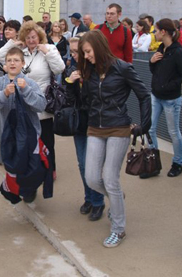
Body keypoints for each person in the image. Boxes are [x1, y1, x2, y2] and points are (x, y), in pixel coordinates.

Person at [75, 30, 151, 248]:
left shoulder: (122, 68)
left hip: (118, 127)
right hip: (95, 128)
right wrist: (76, 84)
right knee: (91, 178)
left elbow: (144, 95)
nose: (86, 56)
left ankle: (118, 229)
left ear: (98, 47)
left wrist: (144, 124)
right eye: (83, 53)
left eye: (88, 51)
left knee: (110, 177)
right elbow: (86, 101)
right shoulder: (88, 71)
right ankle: (116, 197)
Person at [0, 21, 65, 179]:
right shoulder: (20, 52)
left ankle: (50, 169)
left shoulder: (49, 49)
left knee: (46, 140)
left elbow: (59, 68)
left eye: (34, 37)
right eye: (27, 38)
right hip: (24, 102)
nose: (31, 40)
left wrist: (47, 52)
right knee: (27, 139)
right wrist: (13, 43)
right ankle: (31, 168)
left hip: (42, 102)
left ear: (39, 37)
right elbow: (0, 57)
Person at [0, 47, 49, 203]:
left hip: (30, 134)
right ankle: (16, 188)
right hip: (8, 135)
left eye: (16, 60)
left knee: (30, 164)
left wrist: (26, 90)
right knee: (12, 163)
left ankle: (30, 189)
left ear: (23, 63)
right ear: (5, 65)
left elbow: (41, 105)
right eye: (9, 61)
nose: (12, 63)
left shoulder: (30, 83)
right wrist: (4, 94)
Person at [64, 36, 105, 220]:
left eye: (77, 51)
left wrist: (84, 83)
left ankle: (98, 201)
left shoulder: (96, 68)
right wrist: (70, 83)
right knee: (82, 163)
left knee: (93, 164)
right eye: (72, 52)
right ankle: (89, 198)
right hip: (80, 123)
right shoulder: (72, 68)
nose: (74, 55)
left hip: (95, 123)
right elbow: (69, 100)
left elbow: (98, 97)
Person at [145, 18, 182, 178]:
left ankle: (177, 162)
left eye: (156, 30)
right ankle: (153, 164)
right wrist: (151, 62)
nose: (155, 33)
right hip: (156, 96)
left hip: (171, 98)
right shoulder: (162, 49)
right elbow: (155, 72)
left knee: (173, 131)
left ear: (163, 32)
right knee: (150, 128)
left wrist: (167, 86)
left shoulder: (178, 52)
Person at [0, 20, 22, 153]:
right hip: (3, 81)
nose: (7, 31)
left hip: (19, 82)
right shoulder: (1, 44)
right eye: (6, 29)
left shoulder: (21, 46)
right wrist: (3, 69)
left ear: (17, 32)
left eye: (10, 29)